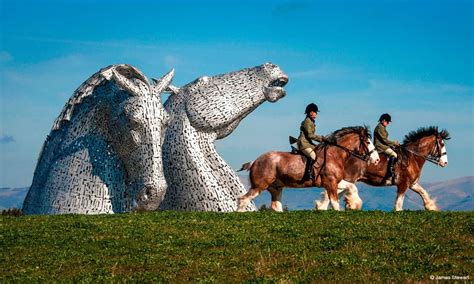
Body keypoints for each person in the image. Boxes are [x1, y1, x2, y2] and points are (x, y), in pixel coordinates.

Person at [297, 103, 326, 180]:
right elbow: (310, 135)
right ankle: (308, 174)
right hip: (304, 144)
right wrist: (321, 138)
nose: (316, 114)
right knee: (313, 156)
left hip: (308, 143)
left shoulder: (311, 121)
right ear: (311, 112)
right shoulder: (307, 121)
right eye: (315, 112)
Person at [374, 113, 400, 183]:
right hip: (380, 146)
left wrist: (392, 145)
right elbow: (384, 140)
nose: (388, 123)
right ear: (383, 120)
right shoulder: (379, 128)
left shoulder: (382, 127)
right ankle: (389, 172)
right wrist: (394, 143)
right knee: (394, 155)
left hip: (384, 145)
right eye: (387, 122)